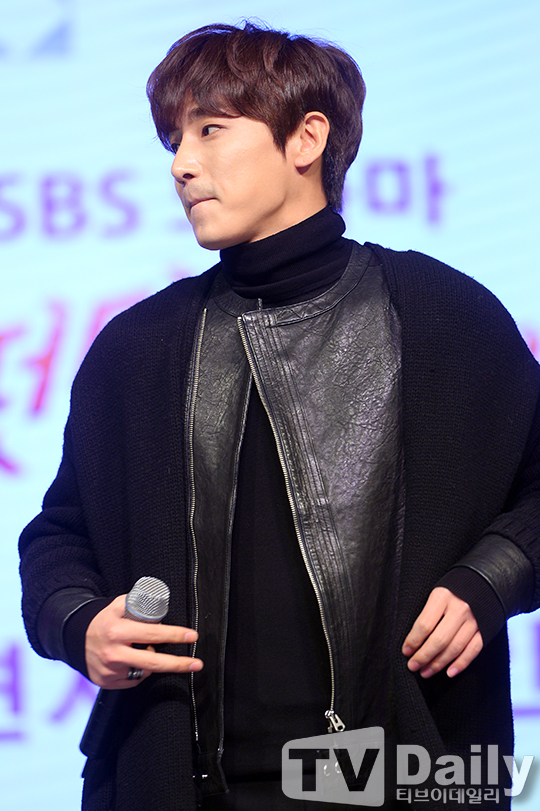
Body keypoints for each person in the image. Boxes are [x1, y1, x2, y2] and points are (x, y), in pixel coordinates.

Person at [19, 21, 540, 811]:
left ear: (306, 138)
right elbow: (61, 534)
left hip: (391, 775)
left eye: (210, 130)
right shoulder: (139, 347)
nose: (181, 163)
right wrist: (78, 621)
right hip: (179, 782)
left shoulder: (441, 317)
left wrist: (488, 579)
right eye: (174, 139)